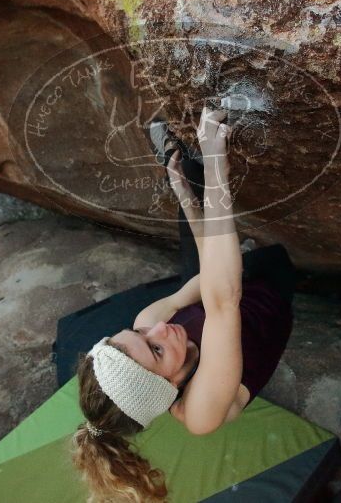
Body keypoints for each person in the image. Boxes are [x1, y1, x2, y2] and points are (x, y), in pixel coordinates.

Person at [70, 106, 296, 503]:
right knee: (269, 258)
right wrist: (215, 166)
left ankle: (177, 170)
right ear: (166, 385)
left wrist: (188, 198)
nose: (157, 329)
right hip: (266, 298)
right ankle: (194, 171)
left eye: (138, 333)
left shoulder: (151, 321)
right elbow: (225, 302)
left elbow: (210, 279)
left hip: (222, 288)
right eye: (156, 350)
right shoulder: (200, 413)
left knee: (193, 213)